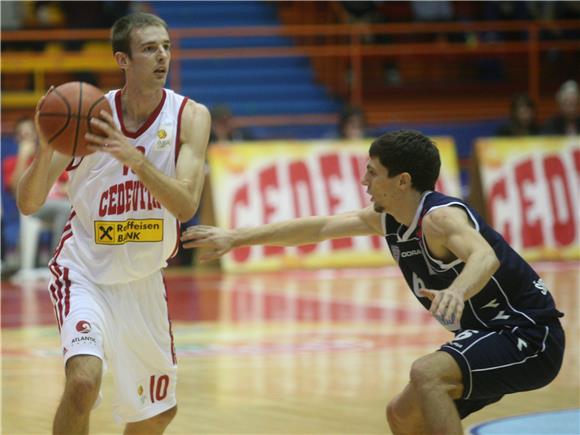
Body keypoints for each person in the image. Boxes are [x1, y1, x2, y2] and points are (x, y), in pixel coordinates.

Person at [181, 130, 565, 434]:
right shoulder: (388, 219)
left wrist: (456, 291)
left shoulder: (439, 219)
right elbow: (319, 227)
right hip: (485, 334)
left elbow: (485, 256)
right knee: (402, 416)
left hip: (529, 334)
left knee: (426, 373)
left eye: (372, 172)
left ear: (402, 181)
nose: (364, 180)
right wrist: (236, 238)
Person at [17, 12, 210, 434]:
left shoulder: (189, 117)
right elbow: (29, 202)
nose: (162, 56)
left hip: (143, 280)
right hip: (84, 270)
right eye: (149, 49)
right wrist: (49, 144)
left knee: (157, 413)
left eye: (166, 47)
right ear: (122, 60)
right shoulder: (87, 117)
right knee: (83, 383)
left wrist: (134, 159)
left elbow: (185, 204)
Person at [4, 117, 71, 267]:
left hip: (58, 203)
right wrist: (22, 156)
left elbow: (67, 182)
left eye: (29, 133)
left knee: (69, 207)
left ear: (36, 135)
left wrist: (65, 188)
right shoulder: (11, 162)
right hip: (32, 207)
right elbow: (17, 192)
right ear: (16, 138)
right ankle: (58, 260)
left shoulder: (46, 158)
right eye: (22, 135)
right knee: (65, 208)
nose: (26, 138)